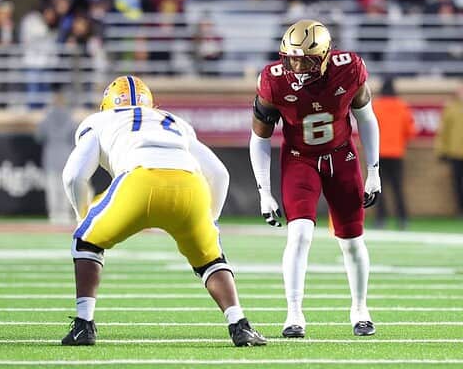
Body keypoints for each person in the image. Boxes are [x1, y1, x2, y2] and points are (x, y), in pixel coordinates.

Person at [60, 75, 266, 347]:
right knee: (210, 259)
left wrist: (81, 217)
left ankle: (83, 325)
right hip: (190, 185)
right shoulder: (174, 121)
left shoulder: (99, 121)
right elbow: (220, 174)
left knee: (86, 241)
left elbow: (74, 176)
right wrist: (209, 219)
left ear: (107, 105)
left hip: (139, 181)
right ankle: (240, 325)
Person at [249, 20, 381, 338]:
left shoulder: (349, 68)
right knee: (299, 236)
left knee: (351, 240)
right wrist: (264, 191)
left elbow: (366, 117)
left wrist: (374, 171)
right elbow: (259, 138)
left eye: (304, 58)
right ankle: (294, 314)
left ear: (324, 55)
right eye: (291, 57)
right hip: (299, 159)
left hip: (342, 156)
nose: (296, 65)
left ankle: (360, 309)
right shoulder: (273, 80)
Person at [372, 77, 416, 229]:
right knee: (398, 188)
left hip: (379, 153)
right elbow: (410, 131)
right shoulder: (402, 107)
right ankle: (402, 219)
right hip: (397, 153)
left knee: (379, 187)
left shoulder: (376, 106)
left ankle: (380, 220)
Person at [35, 85, 76, 224]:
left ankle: (54, 215)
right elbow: (75, 139)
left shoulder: (48, 117)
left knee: (53, 189)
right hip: (65, 157)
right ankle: (63, 215)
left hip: (51, 156)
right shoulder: (70, 117)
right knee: (65, 189)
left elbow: (39, 136)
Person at [435, 83, 463, 217]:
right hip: (455, 152)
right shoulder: (451, 108)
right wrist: (442, 150)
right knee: (457, 183)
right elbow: (444, 132)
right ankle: (460, 209)